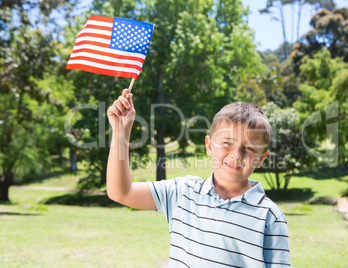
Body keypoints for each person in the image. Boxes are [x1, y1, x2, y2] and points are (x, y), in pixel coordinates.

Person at [107, 89, 290, 267]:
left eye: (249, 148)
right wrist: (120, 132)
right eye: (227, 143)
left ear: (261, 158)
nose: (236, 155)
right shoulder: (182, 192)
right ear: (209, 145)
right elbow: (120, 192)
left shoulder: (269, 216)